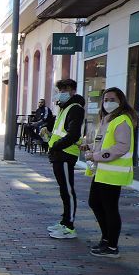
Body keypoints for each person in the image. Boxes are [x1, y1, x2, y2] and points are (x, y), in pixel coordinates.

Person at [84, 87, 136, 258]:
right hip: (103, 172)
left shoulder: (121, 120)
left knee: (109, 208)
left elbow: (122, 147)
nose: (108, 103)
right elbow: (104, 143)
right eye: (106, 99)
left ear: (121, 101)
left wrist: (96, 156)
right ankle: (106, 239)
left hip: (112, 173)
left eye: (112, 99)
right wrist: (89, 148)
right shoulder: (108, 119)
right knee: (95, 203)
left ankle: (112, 246)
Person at [46, 78, 85, 240]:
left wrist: (55, 146)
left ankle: (69, 226)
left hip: (65, 154)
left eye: (64, 90)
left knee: (67, 190)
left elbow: (73, 134)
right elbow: (61, 132)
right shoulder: (64, 108)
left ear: (73, 91)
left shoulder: (75, 108)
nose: (61, 93)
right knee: (63, 190)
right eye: (60, 90)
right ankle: (64, 221)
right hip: (59, 154)